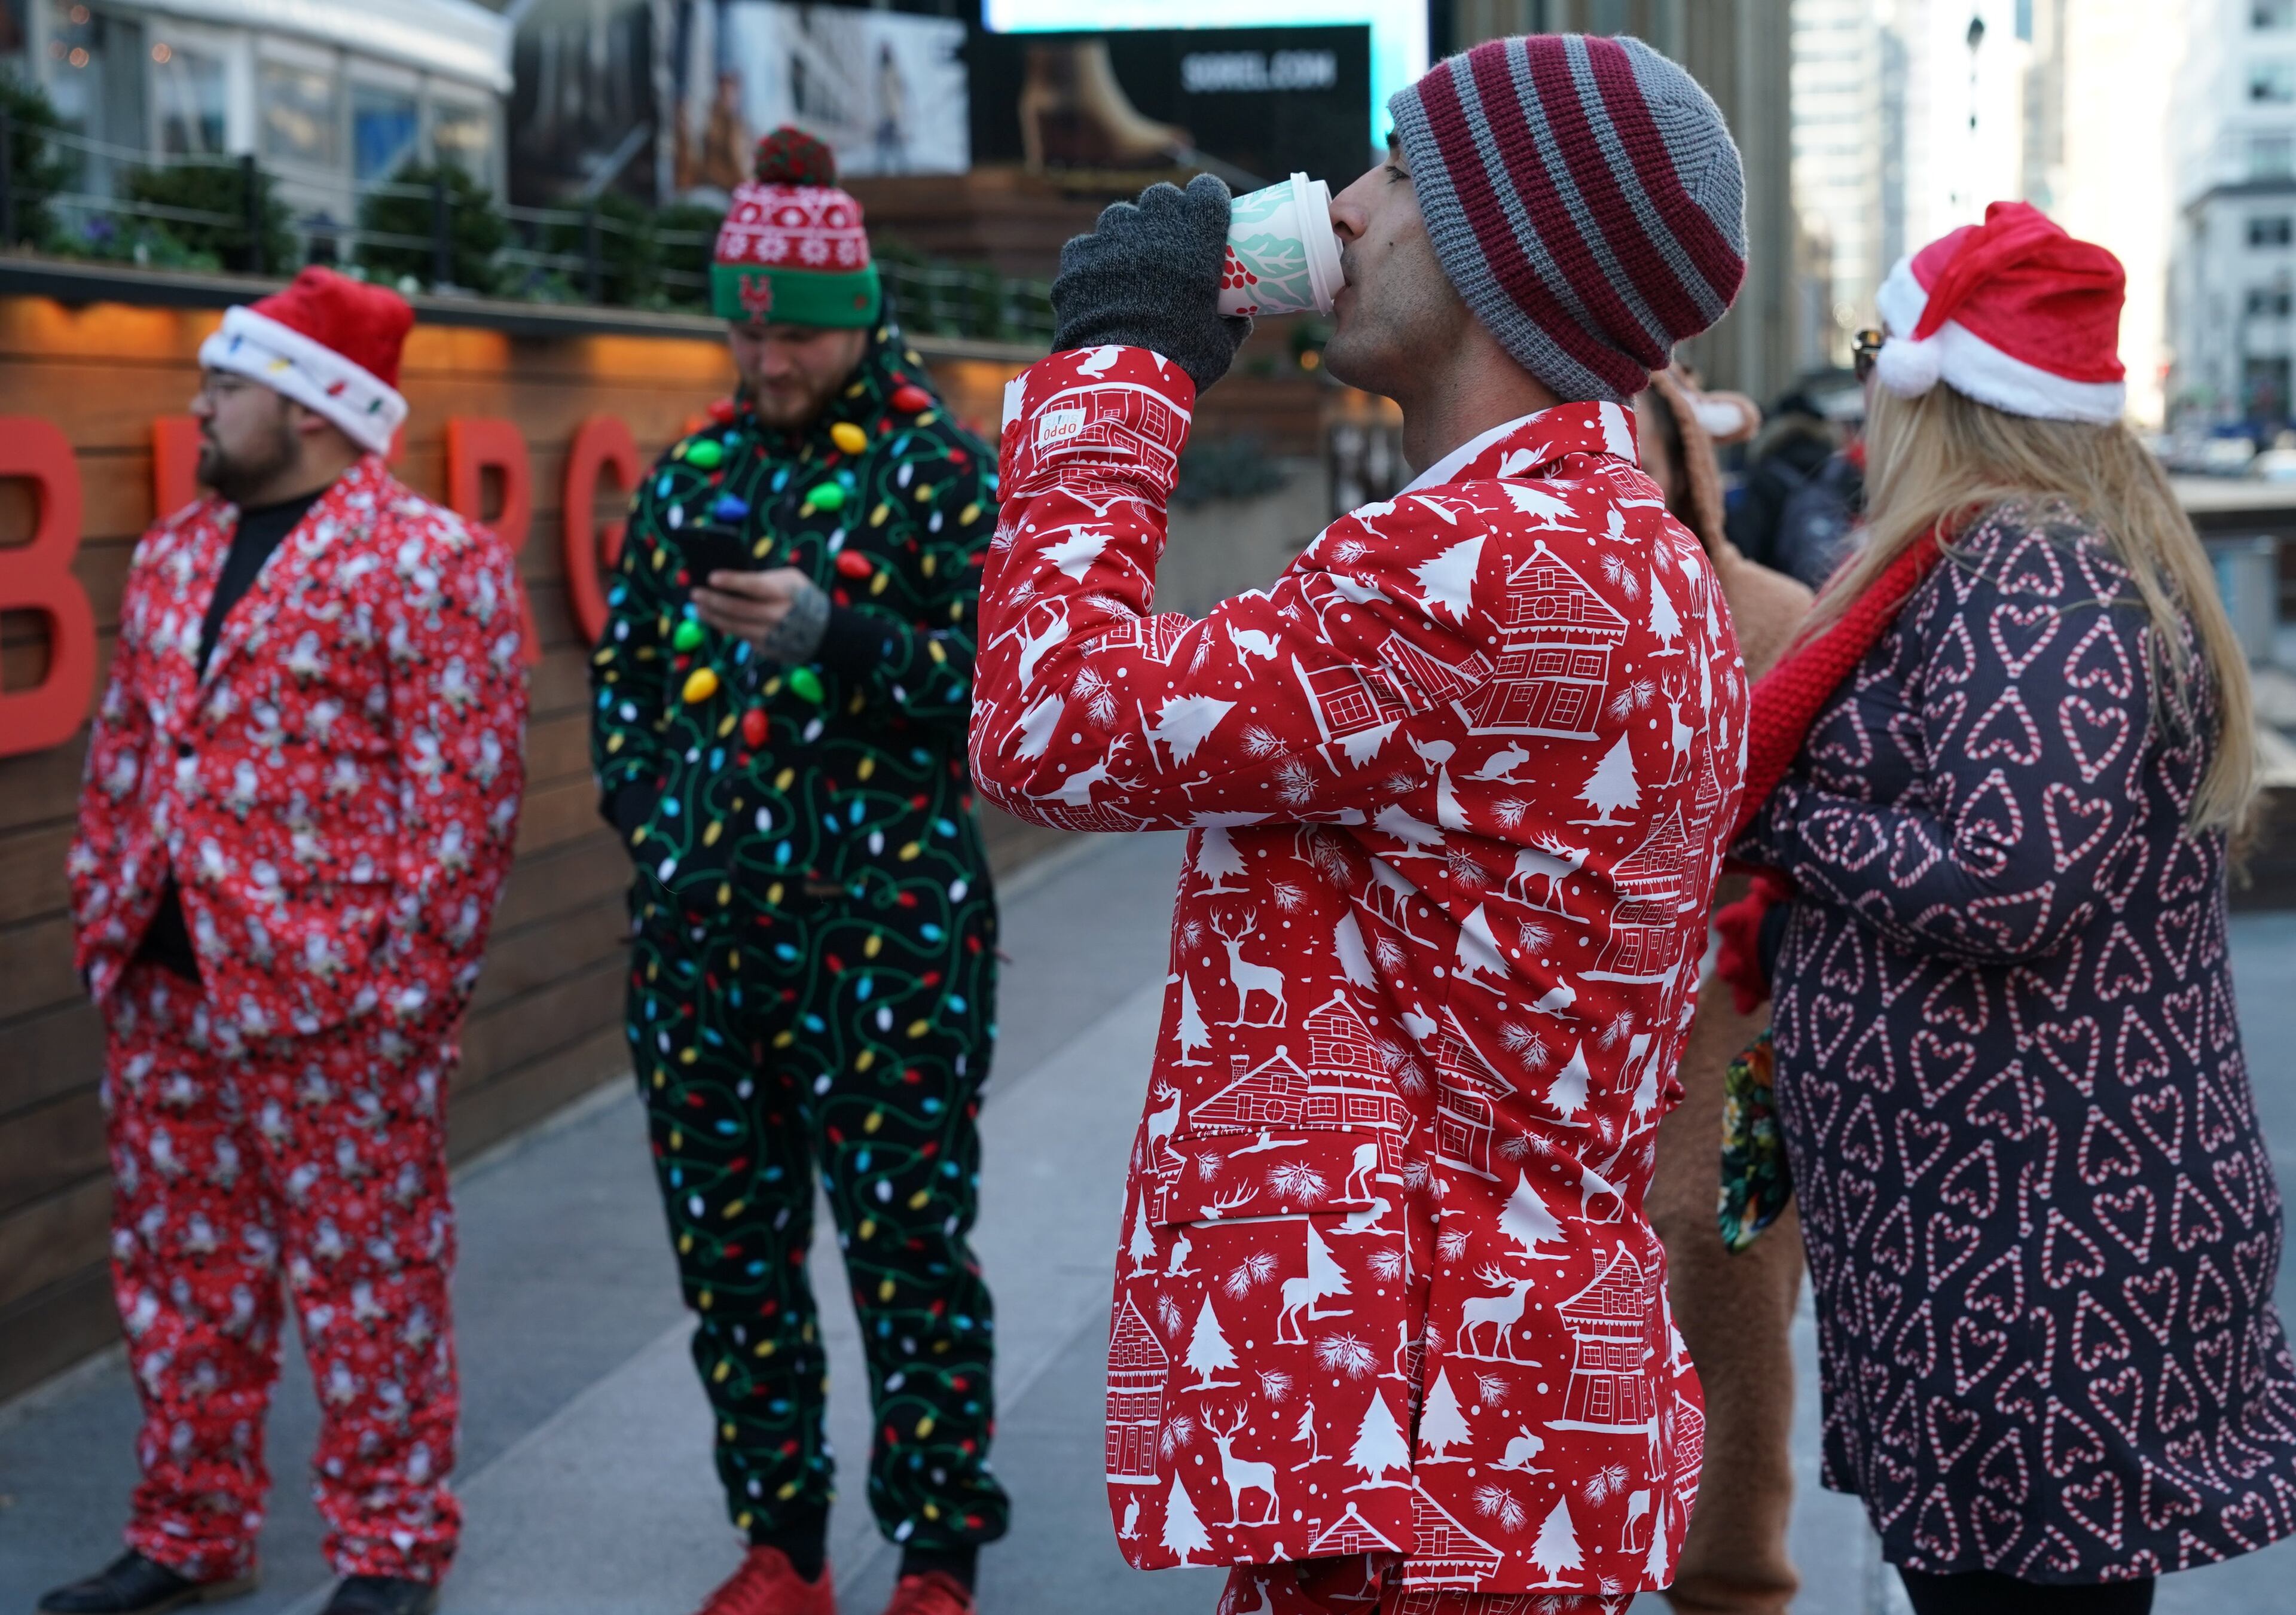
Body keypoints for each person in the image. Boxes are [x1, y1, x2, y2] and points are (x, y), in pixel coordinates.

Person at [974, 32, 1750, 1611]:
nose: (1337, 208)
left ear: (1500, 248)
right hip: (1499, 1422)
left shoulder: (1483, 566)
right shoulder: (1615, 543)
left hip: (1421, 1435)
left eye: (1395, 168)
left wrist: (1122, 360)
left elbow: (1045, 725)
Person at [1726, 202, 2296, 1613]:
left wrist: (1768, 813)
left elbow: (2010, 876)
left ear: (1940, 382)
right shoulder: (2017, 556)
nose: (1864, 375)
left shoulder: (2028, 572)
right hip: (2013, 1236)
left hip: (2040, 1259)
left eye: (1878, 343)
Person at [48, 268, 528, 1615]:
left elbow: (467, 796)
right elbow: (129, 752)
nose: (199, 403)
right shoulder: (171, 552)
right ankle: (188, 1530)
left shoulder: (429, 563)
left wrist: (405, 1002)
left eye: (226, 382)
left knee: (370, 1282)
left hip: (335, 1008)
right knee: (176, 1270)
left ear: (313, 405)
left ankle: (388, 1553)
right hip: (162, 986)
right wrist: (106, 909)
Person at [588, 127, 1003, 1615]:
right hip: (699, 946)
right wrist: (654, 817)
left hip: (890, 933)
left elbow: (1003, 693)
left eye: (797, 329)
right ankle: (785, 1543)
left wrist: (838, 637)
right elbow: (629, 677)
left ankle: (938, 1548)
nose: (765, 359)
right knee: (733, 1261)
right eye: (746, 327)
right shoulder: (689, 471)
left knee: (907, 1250)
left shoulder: (946, 476)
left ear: (864, 314)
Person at [1635, 369, 1813, 1615]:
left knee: (1736, 1285)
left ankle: (1735, 1582)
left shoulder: (1773, 615)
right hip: (1564, 1059)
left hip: (1744, 1045)